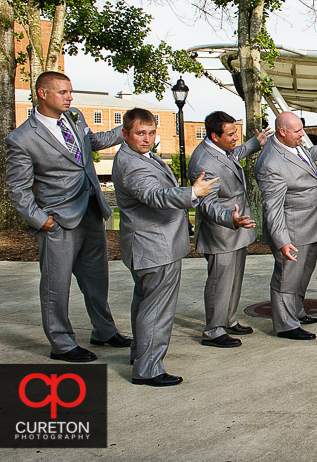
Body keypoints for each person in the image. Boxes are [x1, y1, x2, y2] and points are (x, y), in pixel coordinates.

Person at [5, 71, 130, 362]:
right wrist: (41, 220)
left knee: (97, 279)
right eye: (62, 92)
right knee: (56, 284)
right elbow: (18, 188)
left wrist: (127, 128)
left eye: (70, 91)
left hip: (90, 210)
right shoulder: (22, 139)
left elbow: (92, 142)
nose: (69, 97)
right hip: (57, 221)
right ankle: (61, 343)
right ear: (42, 93)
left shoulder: (74, 117)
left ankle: (104, 330)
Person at [113, 108, 218, 386]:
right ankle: (148, 369)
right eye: (139, 133)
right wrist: (193, 193)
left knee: (144, 302)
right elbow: (154, 196)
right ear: (125, 134)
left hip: (150, 245)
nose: (146, 139)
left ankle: (140, 356)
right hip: (155, 247)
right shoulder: (132, 164)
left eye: (150, 133)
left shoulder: (141, 156)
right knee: (157, 309)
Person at [187, 111, 271, 348]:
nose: (236, 138)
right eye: (231, 134)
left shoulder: (221, 149)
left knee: (234, 280)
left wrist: (256, 143)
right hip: (220, 231)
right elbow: (207, 203)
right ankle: (213, 330)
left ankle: (228, 319)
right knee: (219, 282)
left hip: (235, 229)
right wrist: (230, 219)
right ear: (214, 136)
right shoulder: (204, 162)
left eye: (236, 133)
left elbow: (234, 155)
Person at [256, 112, 317, 341]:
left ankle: (296, 311)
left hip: (310, 226)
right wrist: (282, 241)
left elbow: (303, 158)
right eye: (298, 131)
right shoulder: (271, 163)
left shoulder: (290, 145)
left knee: (302, 275)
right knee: (286, 279)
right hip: (292, 231)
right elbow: (273, 208)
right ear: (282, 132)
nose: (302, 135)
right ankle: (286, 325)